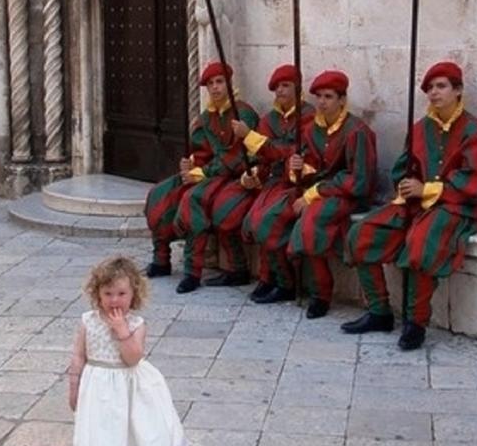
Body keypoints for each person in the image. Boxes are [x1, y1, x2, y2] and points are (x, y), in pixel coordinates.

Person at [342, 61, 477, 350]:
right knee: (362, 233)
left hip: (457, 207)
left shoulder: (475, 131)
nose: (434, 93)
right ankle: (379, 312)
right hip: (415, 203)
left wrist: (429, 189)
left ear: (458, 90)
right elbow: (402, 168)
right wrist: (407, 185)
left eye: (441, 86)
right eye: (430, 88)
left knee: (421, 242)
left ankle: (416, 323)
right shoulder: (421, 128)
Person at [68, 256, 185, 446]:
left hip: (124, 388)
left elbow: (133, 358)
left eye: (121, 293)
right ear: (97, 293)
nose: (114, 300)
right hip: (96, 385)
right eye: (107, 293)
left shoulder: (136, 324)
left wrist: (121, 331)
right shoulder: (88, 321)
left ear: (134, 294)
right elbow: (79, 355)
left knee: (118, 432)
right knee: (95, 429)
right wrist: (74, 385)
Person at [144, 62, 259, 293]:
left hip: (233, 176)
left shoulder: (242, 113)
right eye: (210, 84)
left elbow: (236, 158)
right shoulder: (206, 118)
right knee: (161, 194)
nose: (215, 88)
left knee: (193, 199)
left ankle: (193, 272)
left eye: (219, 82)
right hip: (208, 173)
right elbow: (201, 151)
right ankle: (161, 259)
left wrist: (200, 173)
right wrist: (190, 164)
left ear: (229, 83)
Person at [285, 70, 377, 319]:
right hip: (321, 192)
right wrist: (298, 168)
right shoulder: (311, 129)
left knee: (313, 219)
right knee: (280, 210)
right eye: (319, 97)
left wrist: (316, 191)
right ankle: (280, 280)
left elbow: (359, 180)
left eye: (328, 96)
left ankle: (321, 293)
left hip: (349, 196)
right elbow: (310, 166)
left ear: (342, 99)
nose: (322, 102)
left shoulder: (356, 132)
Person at [230, 64, 316, 303]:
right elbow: (263, 158)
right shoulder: (269, 120)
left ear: (297, 88)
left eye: (286, 85)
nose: (280, 91)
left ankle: (285, 282)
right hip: (273, 182)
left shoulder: (309, 117)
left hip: (296, 183)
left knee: (269, 222)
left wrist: (252, 138)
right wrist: (254, 173)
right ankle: (268, 277)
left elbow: (290, 153)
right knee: (252, 220)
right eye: (277, 87)